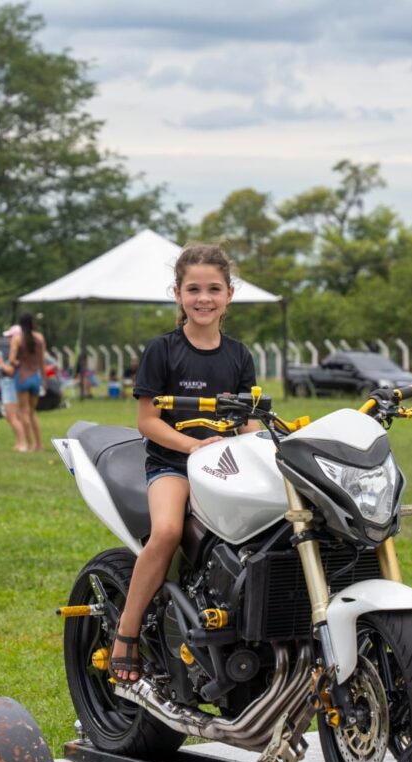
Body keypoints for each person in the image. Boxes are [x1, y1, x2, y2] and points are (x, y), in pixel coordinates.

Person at [110, 244, 258, 681]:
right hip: (172, 466)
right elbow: (147, 422)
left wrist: (270, 445)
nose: (204, 298)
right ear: (177, 294)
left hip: (227, 467)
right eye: (194, 289)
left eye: (214, 289)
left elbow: (247, 420)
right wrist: (192, 447)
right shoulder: (163, 350)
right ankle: (127, 632)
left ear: (230, 294)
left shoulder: (239, 355)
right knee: (168, 532)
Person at [8, 312, 45, 452]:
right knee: (33, 412)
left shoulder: (17, 339)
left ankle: (30, 444)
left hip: (22, 376)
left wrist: (18, 362)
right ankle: (40, 444)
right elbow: (42, 361)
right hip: (36, 377)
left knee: (23, 412)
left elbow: (12, 360)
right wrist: (44, 380)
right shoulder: (40, 338)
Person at [0, 325, 29, 451]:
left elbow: (11, 371)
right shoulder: (16, 351)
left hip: (10, 385)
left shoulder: (17, 352)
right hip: (9, 384)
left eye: (10, 336)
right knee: (13, 416)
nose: (8, 339)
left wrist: (1, 364)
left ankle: (22, 443)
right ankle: (19, 442)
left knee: (12, 416)